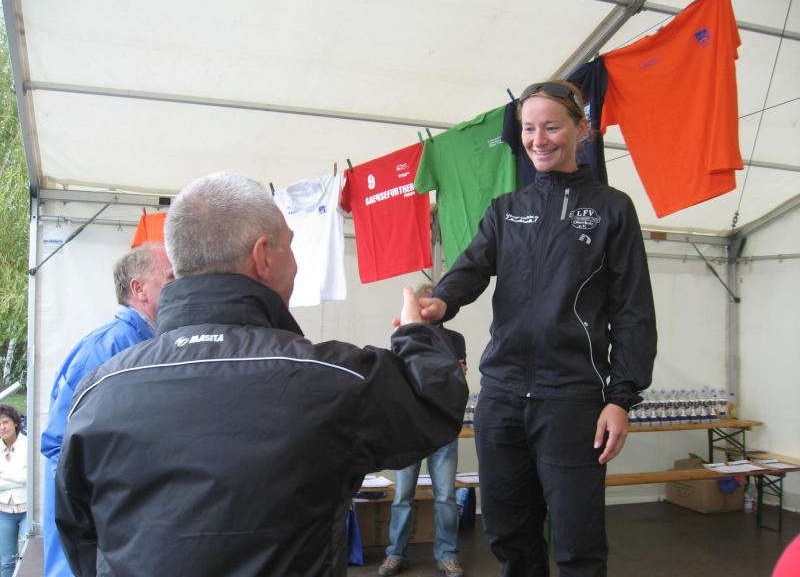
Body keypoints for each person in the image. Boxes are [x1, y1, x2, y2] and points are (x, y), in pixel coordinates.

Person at [55, 172, 469, 577]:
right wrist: (416, 332)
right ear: (264, 256)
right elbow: (435, 404)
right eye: (291, 246)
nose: (296, 262)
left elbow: (82, 536)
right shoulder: (328, 379)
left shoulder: (99, 391)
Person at [419, 80, 657, 577]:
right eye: (529, 128)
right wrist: (439, 301)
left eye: (551, 126)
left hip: (571, 399)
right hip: (501, 397)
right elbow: (471, 268)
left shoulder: (612, 208)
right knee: (508, 536)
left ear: (581, 128)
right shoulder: (506, 209)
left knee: (577, 544)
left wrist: (621, 398)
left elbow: (633, 311)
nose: (538, 139)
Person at [41, 242, 173, 577]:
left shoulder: (149, 344)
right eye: (170, 278)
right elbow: (60, 447)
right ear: (139, 289)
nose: (181, 287)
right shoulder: (107, 349)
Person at [379, 284, 467, 577]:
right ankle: (396, 554)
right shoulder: (403, 333)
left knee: (446, 497)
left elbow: (457, 378)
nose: (424, 311)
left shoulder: (454, 339)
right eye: (419, 305)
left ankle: (447, 555)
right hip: (410, 426)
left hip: (443, 426)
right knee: (402, 495)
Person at [0, 405, 26, 577]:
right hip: (4, 511)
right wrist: (17, 476)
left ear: (15, 423)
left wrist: (3, 474)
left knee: (27, 558)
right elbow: (21, 478)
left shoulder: (28, 444)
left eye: (5, 422)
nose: (2, 427)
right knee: (6, 561)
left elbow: (28, 479)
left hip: (27, 510)